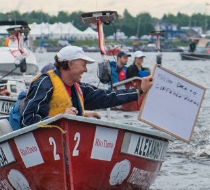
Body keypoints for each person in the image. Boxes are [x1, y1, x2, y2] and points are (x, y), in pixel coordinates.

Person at [18, 45, 154, 128]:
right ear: (70, 64)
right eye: (83, 65)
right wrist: (59, 119)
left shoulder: (78, 88)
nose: (86, 70)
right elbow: (28, 121)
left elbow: (107, 97)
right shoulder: (44, 84)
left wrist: (139, 90)